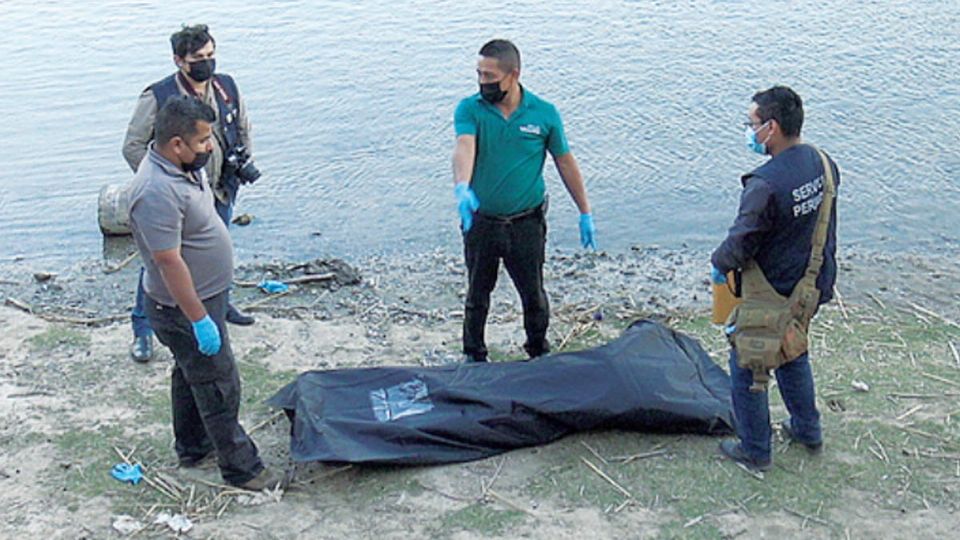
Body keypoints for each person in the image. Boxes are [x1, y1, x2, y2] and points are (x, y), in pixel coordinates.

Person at [127, 95, 283, 491]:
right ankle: (243, 468)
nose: (209, 147)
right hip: (182, 306)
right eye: (202, 142)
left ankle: (193, 448)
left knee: (190, 372)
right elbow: (168, 262)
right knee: (218, 382)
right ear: (176, 143)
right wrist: (198, 318)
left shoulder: (182, 167)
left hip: (205, 297)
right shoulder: (155, 190)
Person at [711, 86, 839, 473]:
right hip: (812, 284)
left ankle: (754, 449)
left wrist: (718, 264)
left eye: (751, 124)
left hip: (774, 290)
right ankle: (807, 428)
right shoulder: (822, 162)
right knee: (792, 348)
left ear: (772, 128)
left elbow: (740, 244)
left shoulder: (764, 185)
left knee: (748, 363)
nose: (748, 132)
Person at [452, 39, 596, 363]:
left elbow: (564, 161)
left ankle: (537, 353)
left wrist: (584, 211)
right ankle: (474, 356)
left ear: (513, 74)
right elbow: (464, 146)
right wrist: (462, 187)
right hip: (482, 220)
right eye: (479, 74)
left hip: (526, 222)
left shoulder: (543, 114)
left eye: (489, 76)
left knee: (533, 294)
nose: (482, 82)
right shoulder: (469, 108)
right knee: (477, 295)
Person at [124, 24, 259, 364]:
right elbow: (133, 146)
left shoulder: (226, 86)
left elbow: (242, 126)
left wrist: (243, 161)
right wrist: (168, 183)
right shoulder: (158, 95)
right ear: (178, 60)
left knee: (213, 248)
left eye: (211, 55)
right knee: (162, 261)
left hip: (219, 188)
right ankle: (143, 328)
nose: (207, 63)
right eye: (198, 58)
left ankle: (220, 304)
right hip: (177, 196)